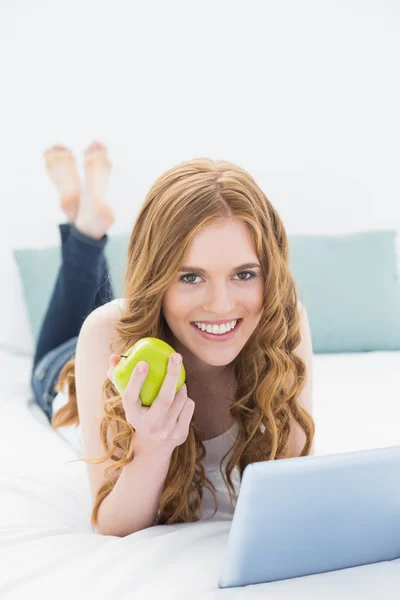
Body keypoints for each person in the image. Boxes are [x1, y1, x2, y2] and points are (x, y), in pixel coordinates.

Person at [31, 141, 315, 537]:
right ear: (156, 280)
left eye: (244, 274)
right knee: (70, 332)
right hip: (66, 375)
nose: (220, 305)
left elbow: (300, 484)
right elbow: (112, 525)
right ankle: (86, 229)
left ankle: (86, 220)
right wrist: (150, 447)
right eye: (190, 277)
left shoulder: (284, 322)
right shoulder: (106, 334)